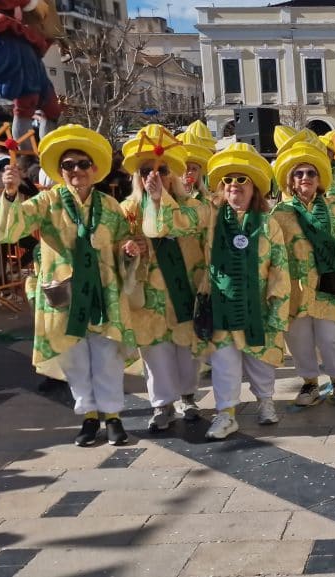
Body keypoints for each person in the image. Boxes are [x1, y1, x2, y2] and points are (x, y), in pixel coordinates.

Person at [0, 125, 135, 446]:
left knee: (107, 357)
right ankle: (88, 416)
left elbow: (123, 243)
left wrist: (129, 251)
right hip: (66, 296)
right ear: (60, 171)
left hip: (103, 294)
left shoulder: (109, 206)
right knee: (75, 357)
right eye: (68, 165)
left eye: (82, 164)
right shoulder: (47, 202)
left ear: (94, 169)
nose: (76, 170)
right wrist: (11, 194)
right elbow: (6, 232)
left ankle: (113, 416)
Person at [148, 142, 291, 440]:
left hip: (258, 306)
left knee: (260, 360)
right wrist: (160, 197)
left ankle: (265, 401)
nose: (233, 185)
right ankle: (226, 414)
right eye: (227, 180)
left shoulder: (268, 224)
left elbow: (279, 269)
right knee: (225, 362)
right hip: (220, 304)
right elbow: (180, 221)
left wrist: (278, 309)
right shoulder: (210, 216)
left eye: (241, 179)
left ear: (254, 187)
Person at [120, 125, 205, 432]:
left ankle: (188, 396)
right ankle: (161, 403)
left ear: (173, 175)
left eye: (162, 170)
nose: (153, 176)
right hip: (150, 295)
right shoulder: (128, 209)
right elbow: (115, 243)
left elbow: (188, 225)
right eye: (146, 170)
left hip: (185, 288)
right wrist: (128, 249)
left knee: (187, 348)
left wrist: (160, 201)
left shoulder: (191, 206)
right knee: (154, 351)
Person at [271, 141, 335, 408]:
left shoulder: (334, 207)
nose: (305, 178)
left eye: (311, 173)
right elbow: (270, 248)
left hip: (327, 287)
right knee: (299, 340)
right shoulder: (281, 213)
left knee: (330, 338)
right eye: (299, 174)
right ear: (291, 181)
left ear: (319, 178)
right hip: (294, 289)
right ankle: (309, 383)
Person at [177, 131, 215, 203]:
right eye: (186, 168)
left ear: (199, 174)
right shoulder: (167, 195)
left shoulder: (206, 200)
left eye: (194, 169)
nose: (190, 172)